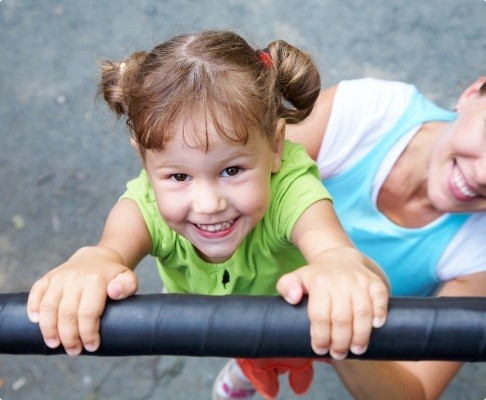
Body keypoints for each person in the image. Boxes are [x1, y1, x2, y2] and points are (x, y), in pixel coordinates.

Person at [25, 30, 389, 398]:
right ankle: (243, 371)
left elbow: (328, 246)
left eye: (231, 171)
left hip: (293, 316)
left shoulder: (291, 188)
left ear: (276, 147)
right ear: (145, 162)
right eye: (179, 176)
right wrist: (93, 263)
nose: (208, 203)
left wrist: (337, 264)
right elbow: (110, 249)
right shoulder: (145, 204)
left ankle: (250, 370)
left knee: (333, 334)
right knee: (247, 354)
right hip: (220, 312)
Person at [233, 76, 484, 399]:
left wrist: (341, 323)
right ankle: (243, 369)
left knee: (272, 354)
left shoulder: (480, 250)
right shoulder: (368, 111)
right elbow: (237, 171)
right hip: (246, 278)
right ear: (471, 93)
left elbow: (416, 391)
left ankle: (248, 371)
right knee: (242, 345)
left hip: (330, 334)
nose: (482, 175)